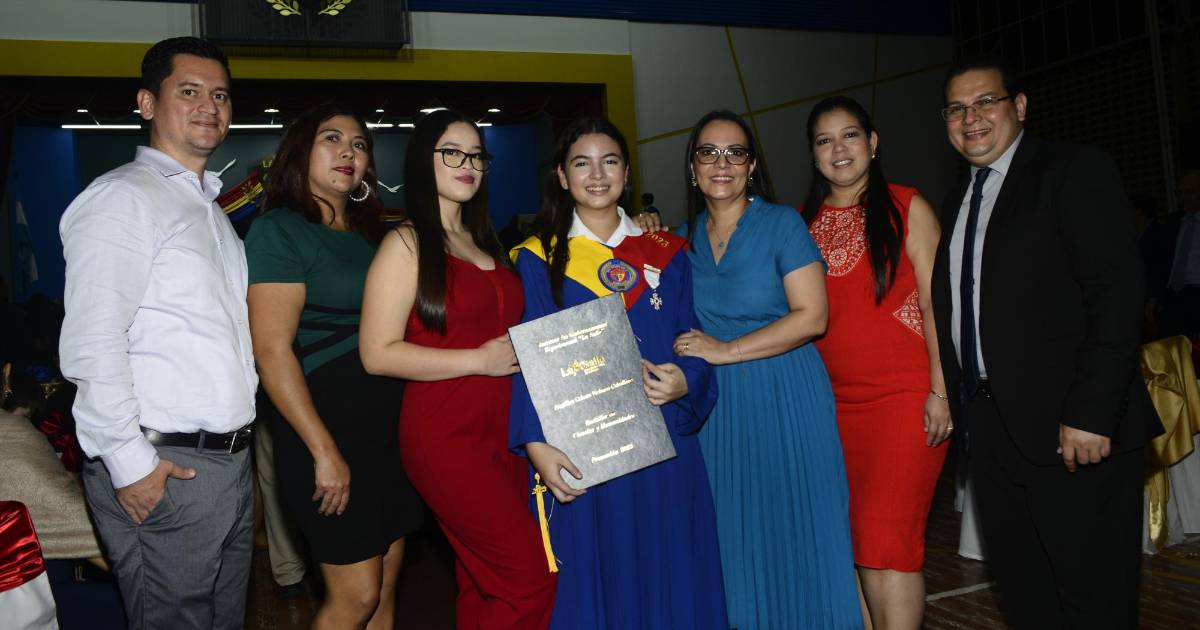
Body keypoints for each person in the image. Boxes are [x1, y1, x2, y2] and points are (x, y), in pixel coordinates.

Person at [932, 56, 1162, 629]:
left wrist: (1091, 412)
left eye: (985, 101)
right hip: (992, 432)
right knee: (1026, 599)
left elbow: (1115, 294)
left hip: (1074, 433)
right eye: (957, 109)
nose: (971, 118)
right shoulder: (958, 198)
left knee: (1094, 602)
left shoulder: (1072, 171)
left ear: (1020, 106)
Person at [58, 36, 258, 629]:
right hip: (165, 465)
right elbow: (93, 341)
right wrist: (130, 464)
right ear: (147, 103)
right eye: (189, 91)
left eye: (219, 95)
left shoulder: (210, 210)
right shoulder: (123, 197)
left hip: (227, 465)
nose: (209, 106)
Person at [509, 117, 726, 629]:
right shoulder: (538, 259)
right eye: (581, 163)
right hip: (585, 448)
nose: (597, 175)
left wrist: (686, 380)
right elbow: (528, 363)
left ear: (627, 173)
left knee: (670, 568)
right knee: (597, 571)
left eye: (609, 162)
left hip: (663, 438)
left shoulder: (667, 253)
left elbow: (692, 340)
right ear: (562, 176)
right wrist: (535, 443)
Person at [358, 109, 557, 629]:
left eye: (476, 155)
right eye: (451, 152)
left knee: (481, 583)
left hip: (507, 434)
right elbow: (376, 352)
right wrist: (478, 360)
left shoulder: (486, 240)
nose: (467, 164)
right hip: (447, 435)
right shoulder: (406, 244)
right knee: (530, 579)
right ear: (422, 161)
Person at [671, 110, 861, 629]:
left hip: (787, 397)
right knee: (734, 538)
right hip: (719, 412)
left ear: (751, 165)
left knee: (802, 532)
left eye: (735, 153)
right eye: (708, 153)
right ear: (692, 168)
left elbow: (813, 317)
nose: (722, 164)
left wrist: (725, 350)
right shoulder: (677, 241)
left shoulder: (782, 224)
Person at [244, 103, 422, 630]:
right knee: (356, 597)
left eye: (360, 144)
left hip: (387, 433)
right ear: (300, 152)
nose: (349, 151)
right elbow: (271, 350)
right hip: (325, 433)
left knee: (385, 588)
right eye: (332, 139)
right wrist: (322, 451)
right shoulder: (279, 230)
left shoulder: (372, 236)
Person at [802, 95, 950, 629]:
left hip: (904, 401)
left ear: (873, 142)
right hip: (830, 410)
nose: (838, 149)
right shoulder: (801, 225)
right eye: (824, 140)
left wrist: (941, 391)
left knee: (889, 542)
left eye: (850, 135)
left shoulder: (909, 207)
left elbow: (937, 305)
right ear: (813, 154)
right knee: (854, 545)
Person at [1163, 168, 1200, 339]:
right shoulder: (1173, 222)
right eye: (1180, 193)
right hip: (1174, 295)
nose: (1184, 197)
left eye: (1190, 192)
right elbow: (1163, 260)